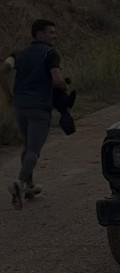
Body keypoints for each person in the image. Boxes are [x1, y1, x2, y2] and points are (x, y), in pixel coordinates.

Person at [2, 19, 68, 209]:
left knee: (27, 146)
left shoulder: (17, 54)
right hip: (40, 107)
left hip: (20, 106)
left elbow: (3, 71)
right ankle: (19, 183)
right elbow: (56, 80)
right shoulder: (51, 54)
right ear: (39, 34)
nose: (54, 36)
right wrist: (64, 85)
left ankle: (30, 187)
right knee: (34, 149)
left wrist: (8, 95)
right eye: (50, 32)